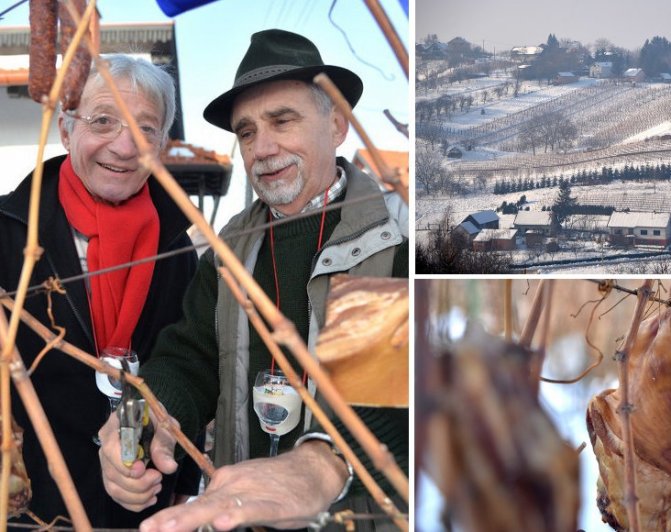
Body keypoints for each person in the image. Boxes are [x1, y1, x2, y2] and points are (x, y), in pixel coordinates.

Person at [98, 29, 408, 531]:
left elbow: (396, 390)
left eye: (282, 121)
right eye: (246, 132)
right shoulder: (230, 249)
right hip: (237, 517)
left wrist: (324, 463)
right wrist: (147, 415)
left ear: (337, 124)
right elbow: (189, 357)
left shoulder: (391, 238)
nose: (262, 148)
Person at [0, 55, 201, 527]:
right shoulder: (11, 232)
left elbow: (188, 363)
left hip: (138, 503)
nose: (125, 146)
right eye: (103, 121)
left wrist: (179, 486)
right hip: (30, 506)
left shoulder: (177, 246)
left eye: (145, 129)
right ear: (67, 132)